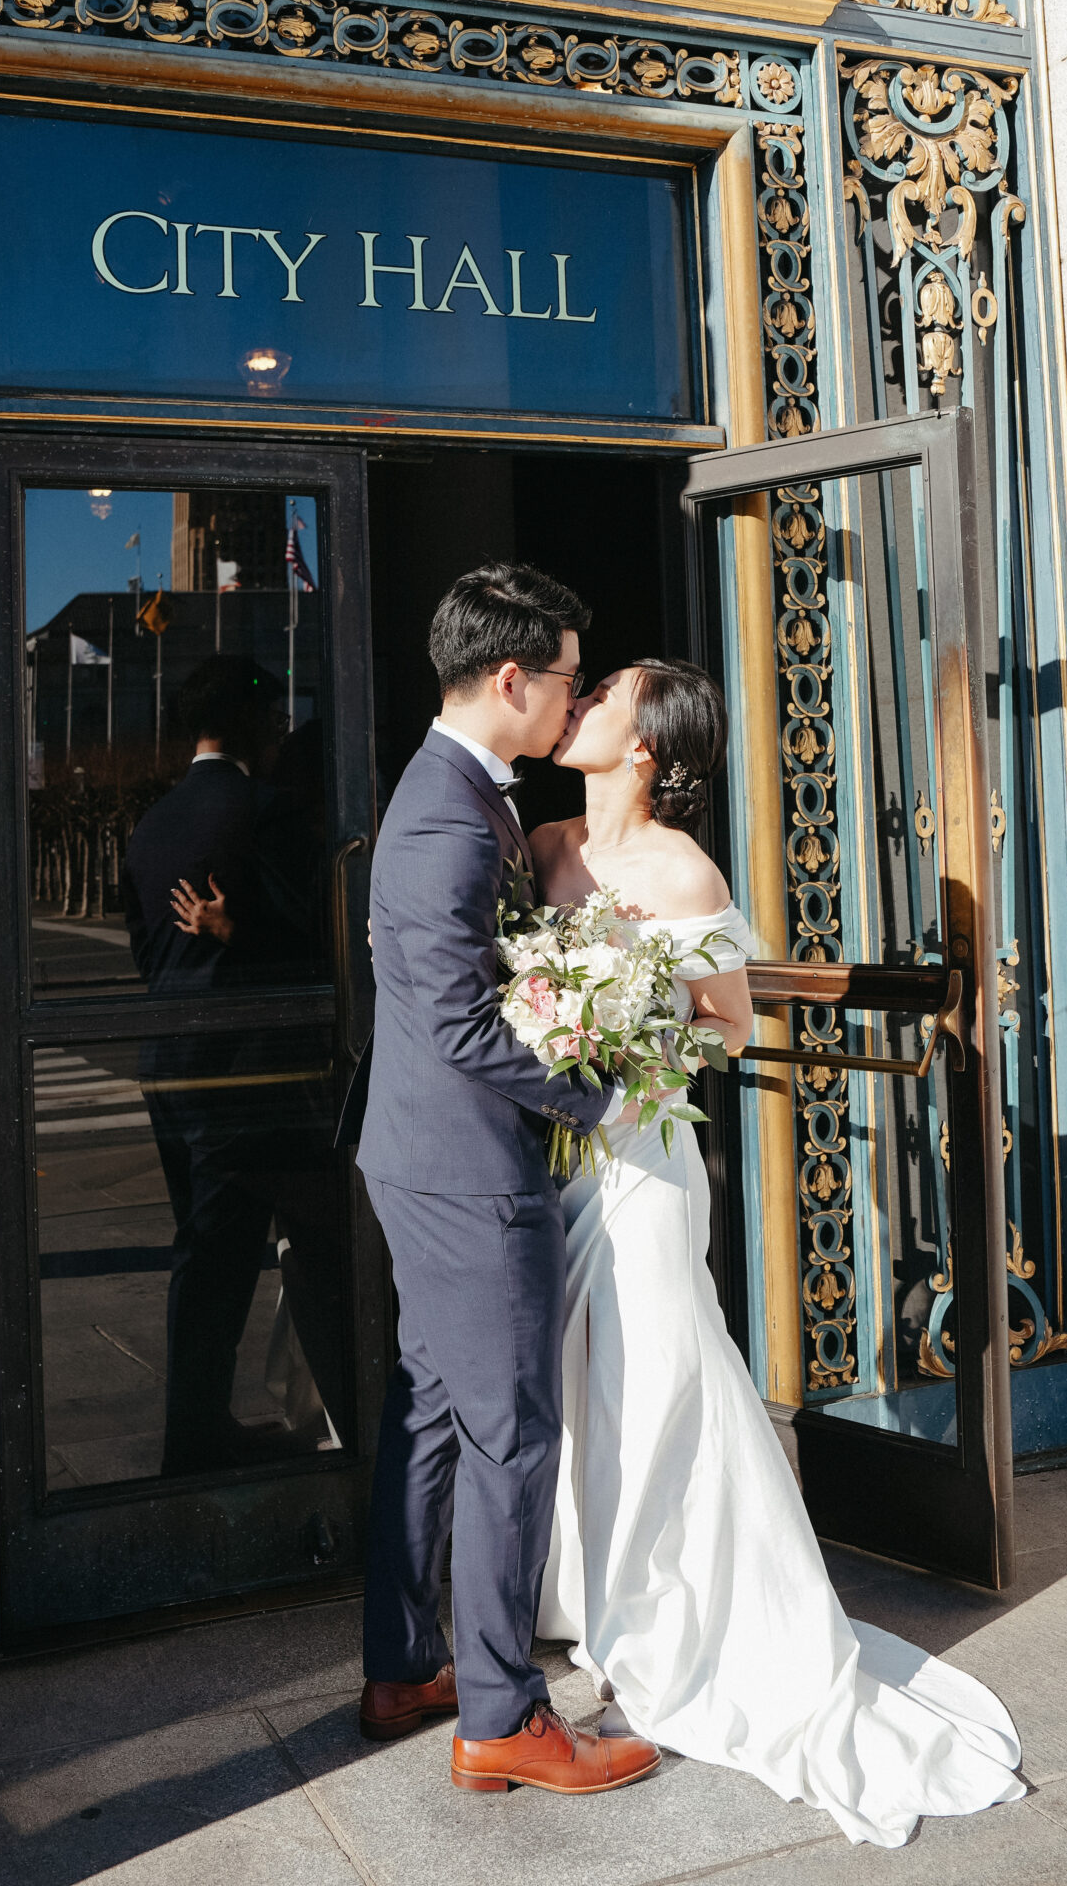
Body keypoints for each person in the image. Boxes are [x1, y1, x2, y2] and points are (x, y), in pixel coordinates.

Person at [529, 657, 1027, 1849]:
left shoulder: (684, 868)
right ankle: (581, 1597)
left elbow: (727, 1025)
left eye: (605, 693)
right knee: (563, 1380)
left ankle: (670, 1614)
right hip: (555, 1165)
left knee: (654, 1378)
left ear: (646, 741)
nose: (583, 699)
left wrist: (616, 1024)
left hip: (644, 1166)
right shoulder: (538, 842)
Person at [343, 565, 659, 1798]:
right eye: (570, 675)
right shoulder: (439, 814)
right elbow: (465, 1027)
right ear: (514, 677)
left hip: (434, 1161)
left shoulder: (465, 796)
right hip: (464, 1173)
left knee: (431, 1410)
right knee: (512, 1432)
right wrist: (603, 1092)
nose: (575, 697)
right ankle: (500, 1715)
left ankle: (405, 1665)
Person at [124, 655, 344, 1474]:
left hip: (167, 1058)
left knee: (206, 1246)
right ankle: (204, 1435)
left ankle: (201, 1424)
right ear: (253, 723)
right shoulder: (267, 812)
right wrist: (239, 934)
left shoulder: (152, 823)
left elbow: (146, 951)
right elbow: (315, 940)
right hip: (248, 1069)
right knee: (266, 1249)